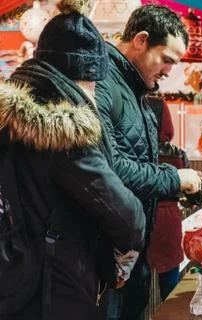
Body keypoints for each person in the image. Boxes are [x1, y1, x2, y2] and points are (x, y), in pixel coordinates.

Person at [0, 0, 145, 319]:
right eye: (93, 82)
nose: (94, 92)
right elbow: (127, 216)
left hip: (12, 280)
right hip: (55, 288)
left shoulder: (9, 116)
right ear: (80, 74)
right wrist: (121, 260)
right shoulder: (65, 131)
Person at [95, 5, 201, 319]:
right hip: (105, 252)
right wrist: (175, 178)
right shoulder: (103, 83)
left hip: (132, 249)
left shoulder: (135, 88)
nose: (170, 71)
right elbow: (109, 169)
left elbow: (136, 160)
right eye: (167, 59)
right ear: (140, 40)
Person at [147, 97, 188, 302]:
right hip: (168, 221)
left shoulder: (133, 152)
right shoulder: (177, 155)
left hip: (138, 218)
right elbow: (188, 191)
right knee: (170, 290)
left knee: (133, 293)